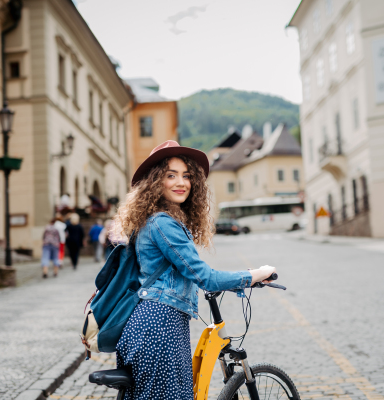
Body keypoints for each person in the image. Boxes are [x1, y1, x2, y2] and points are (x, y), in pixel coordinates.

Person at [110, 140, 276, 399]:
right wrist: (255, 274)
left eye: (186, 176)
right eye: (170, 175)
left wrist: (241, 280)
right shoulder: (162, 223)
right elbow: (205, 278)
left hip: (156, 323)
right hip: (159, 326)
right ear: (155, 181)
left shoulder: (157, 221)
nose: (181, 182)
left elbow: (190, 272)